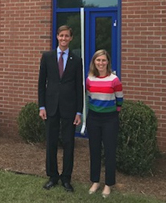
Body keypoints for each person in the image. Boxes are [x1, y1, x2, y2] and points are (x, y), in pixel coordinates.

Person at [38, 25, 83, 192]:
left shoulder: (76, 60)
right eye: (61, 35)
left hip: (69, 109)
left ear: (71, 38)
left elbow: (79, 87)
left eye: (67, 36)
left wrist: (79, 111)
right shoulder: (48, 57)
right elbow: (41, 84)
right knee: (51, 143)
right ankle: (53, 176)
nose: (64, 39)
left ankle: (66, 178)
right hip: (50, 107)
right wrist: (41, 106)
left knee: (69, 143)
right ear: (57, 37)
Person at [86, 49, 123, 199]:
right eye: (98, 60)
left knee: (109, 151)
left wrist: (113, 112)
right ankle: (95, 181)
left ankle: (108, 184)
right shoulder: (89, 79)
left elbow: (119, 99)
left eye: (103, 60)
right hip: (93, 118)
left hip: (110, 119)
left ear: (107, 62)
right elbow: (89, 98)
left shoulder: (114, 79)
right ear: (94, 62)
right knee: (94, 150)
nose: (101, 63)